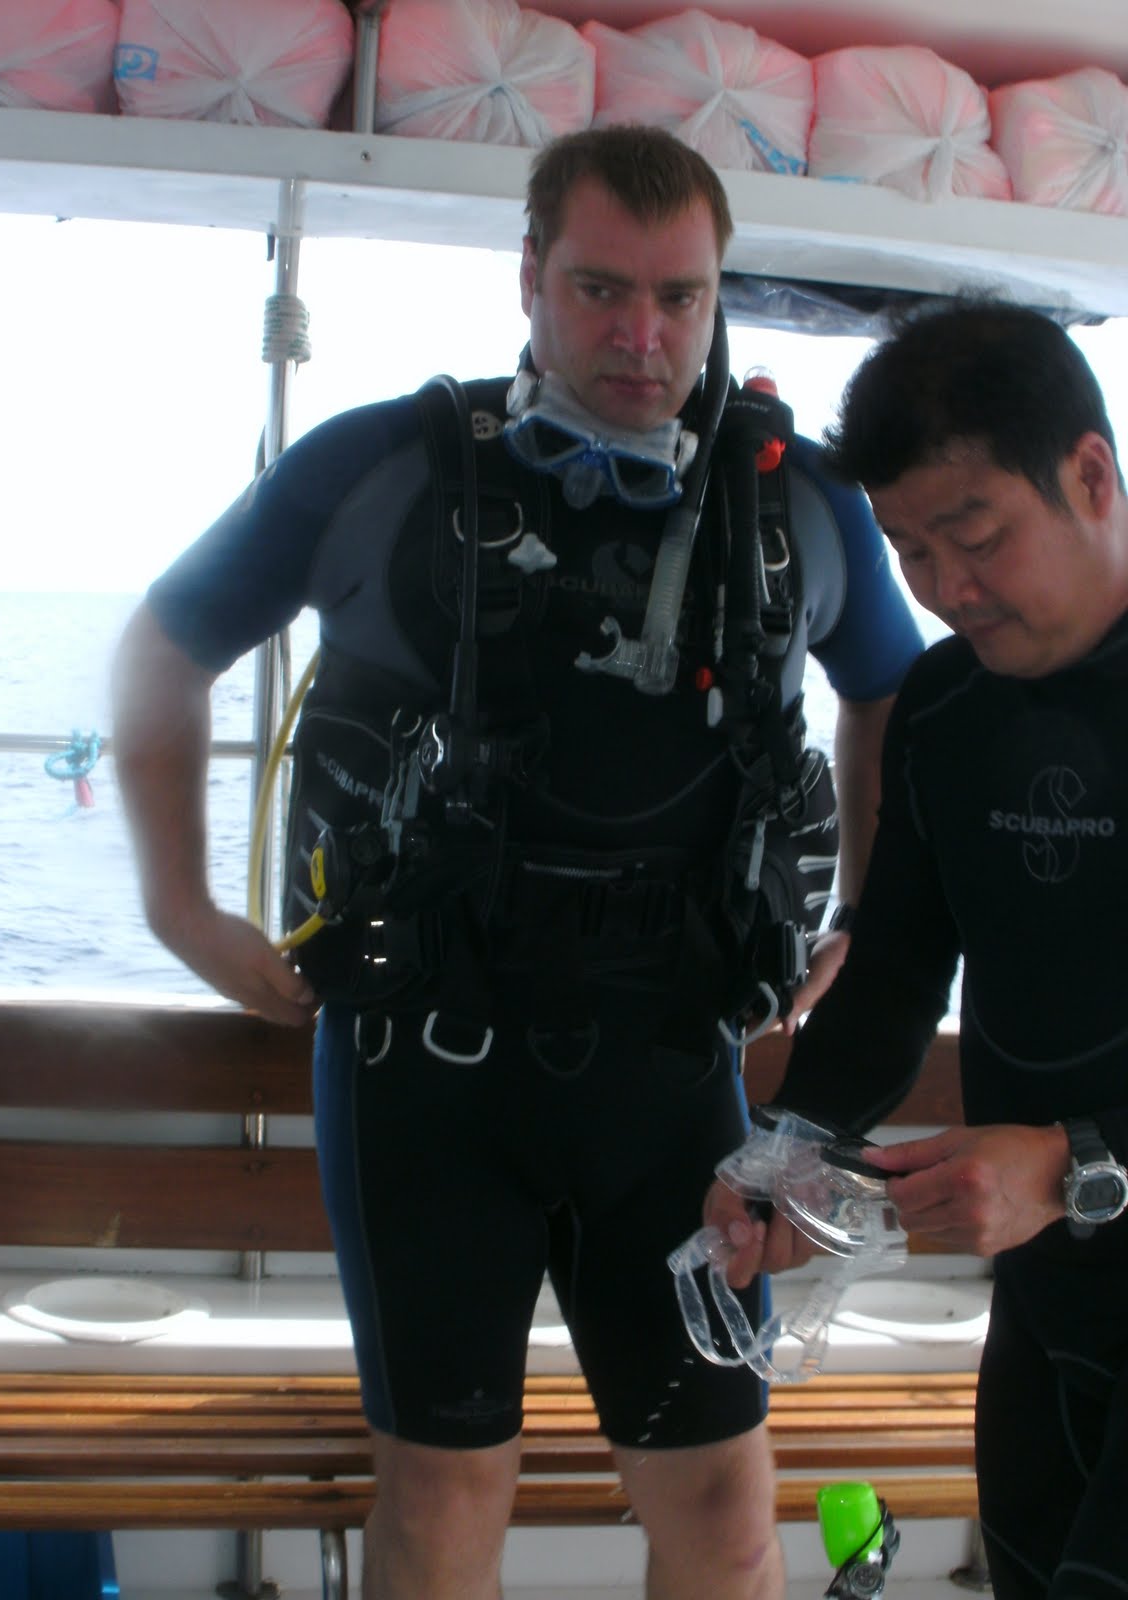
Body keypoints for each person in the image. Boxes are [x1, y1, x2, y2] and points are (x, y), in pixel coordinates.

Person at [113, 125, 922, 1600]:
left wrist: (863, 908)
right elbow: (166, 645)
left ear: (717, 293)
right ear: (531, 276)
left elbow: (887, 692)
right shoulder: (382, 468)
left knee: (727, 1512)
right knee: (441, 1501)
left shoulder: (797, 501)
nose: (642, 336)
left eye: (680, 297)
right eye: (601, 289)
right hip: (425, 1070)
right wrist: (179, 906)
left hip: (674, 1076)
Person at [706, 301, 1128, 1600]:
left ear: (1092, 477)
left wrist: (1081, 1163)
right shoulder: (946, 708)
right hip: (1048, 1319)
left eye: (977, 536)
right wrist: (786, 1156)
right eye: (909, 550)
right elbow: (892, 979)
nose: (945, 589)